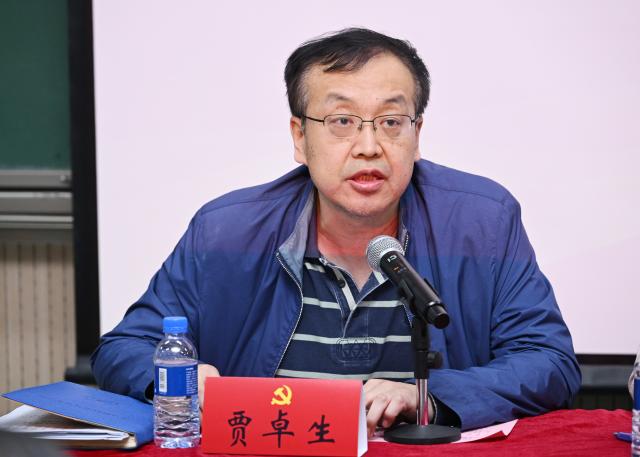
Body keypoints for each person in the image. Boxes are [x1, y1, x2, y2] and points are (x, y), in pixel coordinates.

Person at [91, 28, 581, 435]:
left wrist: (428, 396)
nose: (369, 146)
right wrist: (181, 376)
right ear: (299, 137)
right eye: (342, 121)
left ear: (417, 135)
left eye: (391, 122)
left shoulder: (482, 222)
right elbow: (123, 350)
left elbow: (548, 362)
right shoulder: (225, 231)